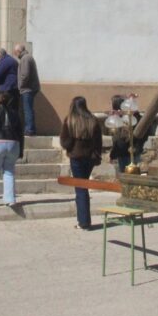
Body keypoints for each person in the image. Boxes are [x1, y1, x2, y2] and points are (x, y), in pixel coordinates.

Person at [59, 96, 103, 230]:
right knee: (84, 186)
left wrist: (71, 146)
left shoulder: (70, 120)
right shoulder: (93, 120)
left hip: (76, 157)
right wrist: (97, 155)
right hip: (90, 157)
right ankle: (83, 220)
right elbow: (98, 141)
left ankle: (83, 221)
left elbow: (65, 142)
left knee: (80, 188)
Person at [107, 94, 149, 172]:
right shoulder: (128, 118)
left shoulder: (129, 119)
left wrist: (113, 154)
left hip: (126, 154)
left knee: (126, 175)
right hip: (127, 153)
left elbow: (120, 139)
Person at [13, 43, 40, 136]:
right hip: (29, 88)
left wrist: (20, 85)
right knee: (28, 109)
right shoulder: (27, 57)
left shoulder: (25, 58)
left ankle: (29, 130)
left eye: (15, 52)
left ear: (18, 51)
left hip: (27, 88)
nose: (15, 54)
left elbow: (25, 75)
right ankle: (30, 129)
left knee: (27, 110)